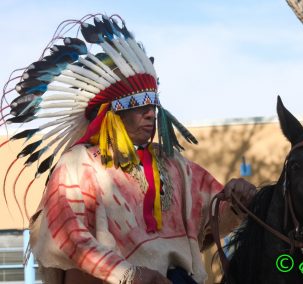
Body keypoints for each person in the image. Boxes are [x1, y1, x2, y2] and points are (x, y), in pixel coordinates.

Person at [2, 14, 256, 284]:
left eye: (153, 107)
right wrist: (128, 274)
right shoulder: (79, 165)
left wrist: (242, 202)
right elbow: (68, 235)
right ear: (111, 114)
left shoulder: (174, 165)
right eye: (139, 106)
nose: (150, 115)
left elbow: (211, 220)